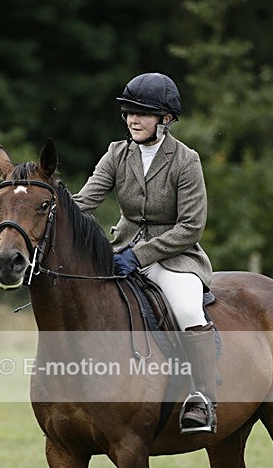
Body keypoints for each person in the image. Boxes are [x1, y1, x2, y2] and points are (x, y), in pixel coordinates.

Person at [72, 72, 217, 433]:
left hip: (173, 258)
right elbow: (83, 202)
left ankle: (202, 397)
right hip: (120, 249)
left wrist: (141, 256)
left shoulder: (186, 161)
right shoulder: (116, 154)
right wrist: (25, 223)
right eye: (128, 112)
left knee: (186, 307)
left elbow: (191, 227)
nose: (133, 120)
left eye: (143, 113)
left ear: (165, 119)